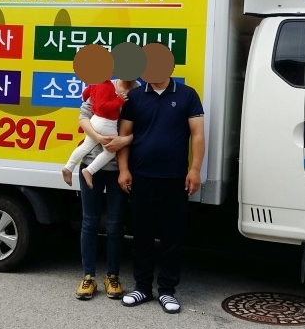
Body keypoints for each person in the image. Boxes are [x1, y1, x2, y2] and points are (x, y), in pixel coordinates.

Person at [116, 43, 205, 314]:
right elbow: (124, 136)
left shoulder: (187, 95)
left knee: (172, 238)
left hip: (175, 179)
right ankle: (142, 287)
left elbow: (197, 134)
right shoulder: (135, 97)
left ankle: (167, 291)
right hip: (141, 177)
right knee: (141, 237)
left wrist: (195, 169)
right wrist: (123, 169)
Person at [74, 82, 135, 301]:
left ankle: (113, 276)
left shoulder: (140, 93)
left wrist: (123, 140)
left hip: (119, 169)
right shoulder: (104, 85)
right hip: (90, 165)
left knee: (115, 225)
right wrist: (99, 138)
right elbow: (83, 117)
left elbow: (145, 130)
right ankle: (88, 276)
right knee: (89, 222)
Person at [61, 78, 135, 188]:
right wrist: (118, 101)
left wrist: (93, 101)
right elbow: (102, 106)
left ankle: (68, 167)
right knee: (110, 152)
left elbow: (85, 94)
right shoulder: (107, 85)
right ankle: (89, 171)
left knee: (85, 146)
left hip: (96, 120)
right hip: (107, 123)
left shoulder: (95, 82)